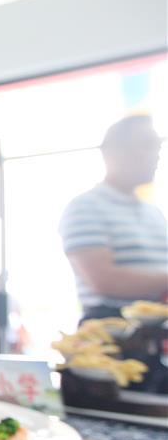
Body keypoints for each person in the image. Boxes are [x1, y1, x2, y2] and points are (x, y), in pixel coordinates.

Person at [59, 114, 167, 321]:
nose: (157, 155)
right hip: (111, 335)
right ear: (113, 152)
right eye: (147, 145)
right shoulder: (85, 207)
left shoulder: (155, 213)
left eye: (157, 146)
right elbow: (104, 281)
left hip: (156, 334)